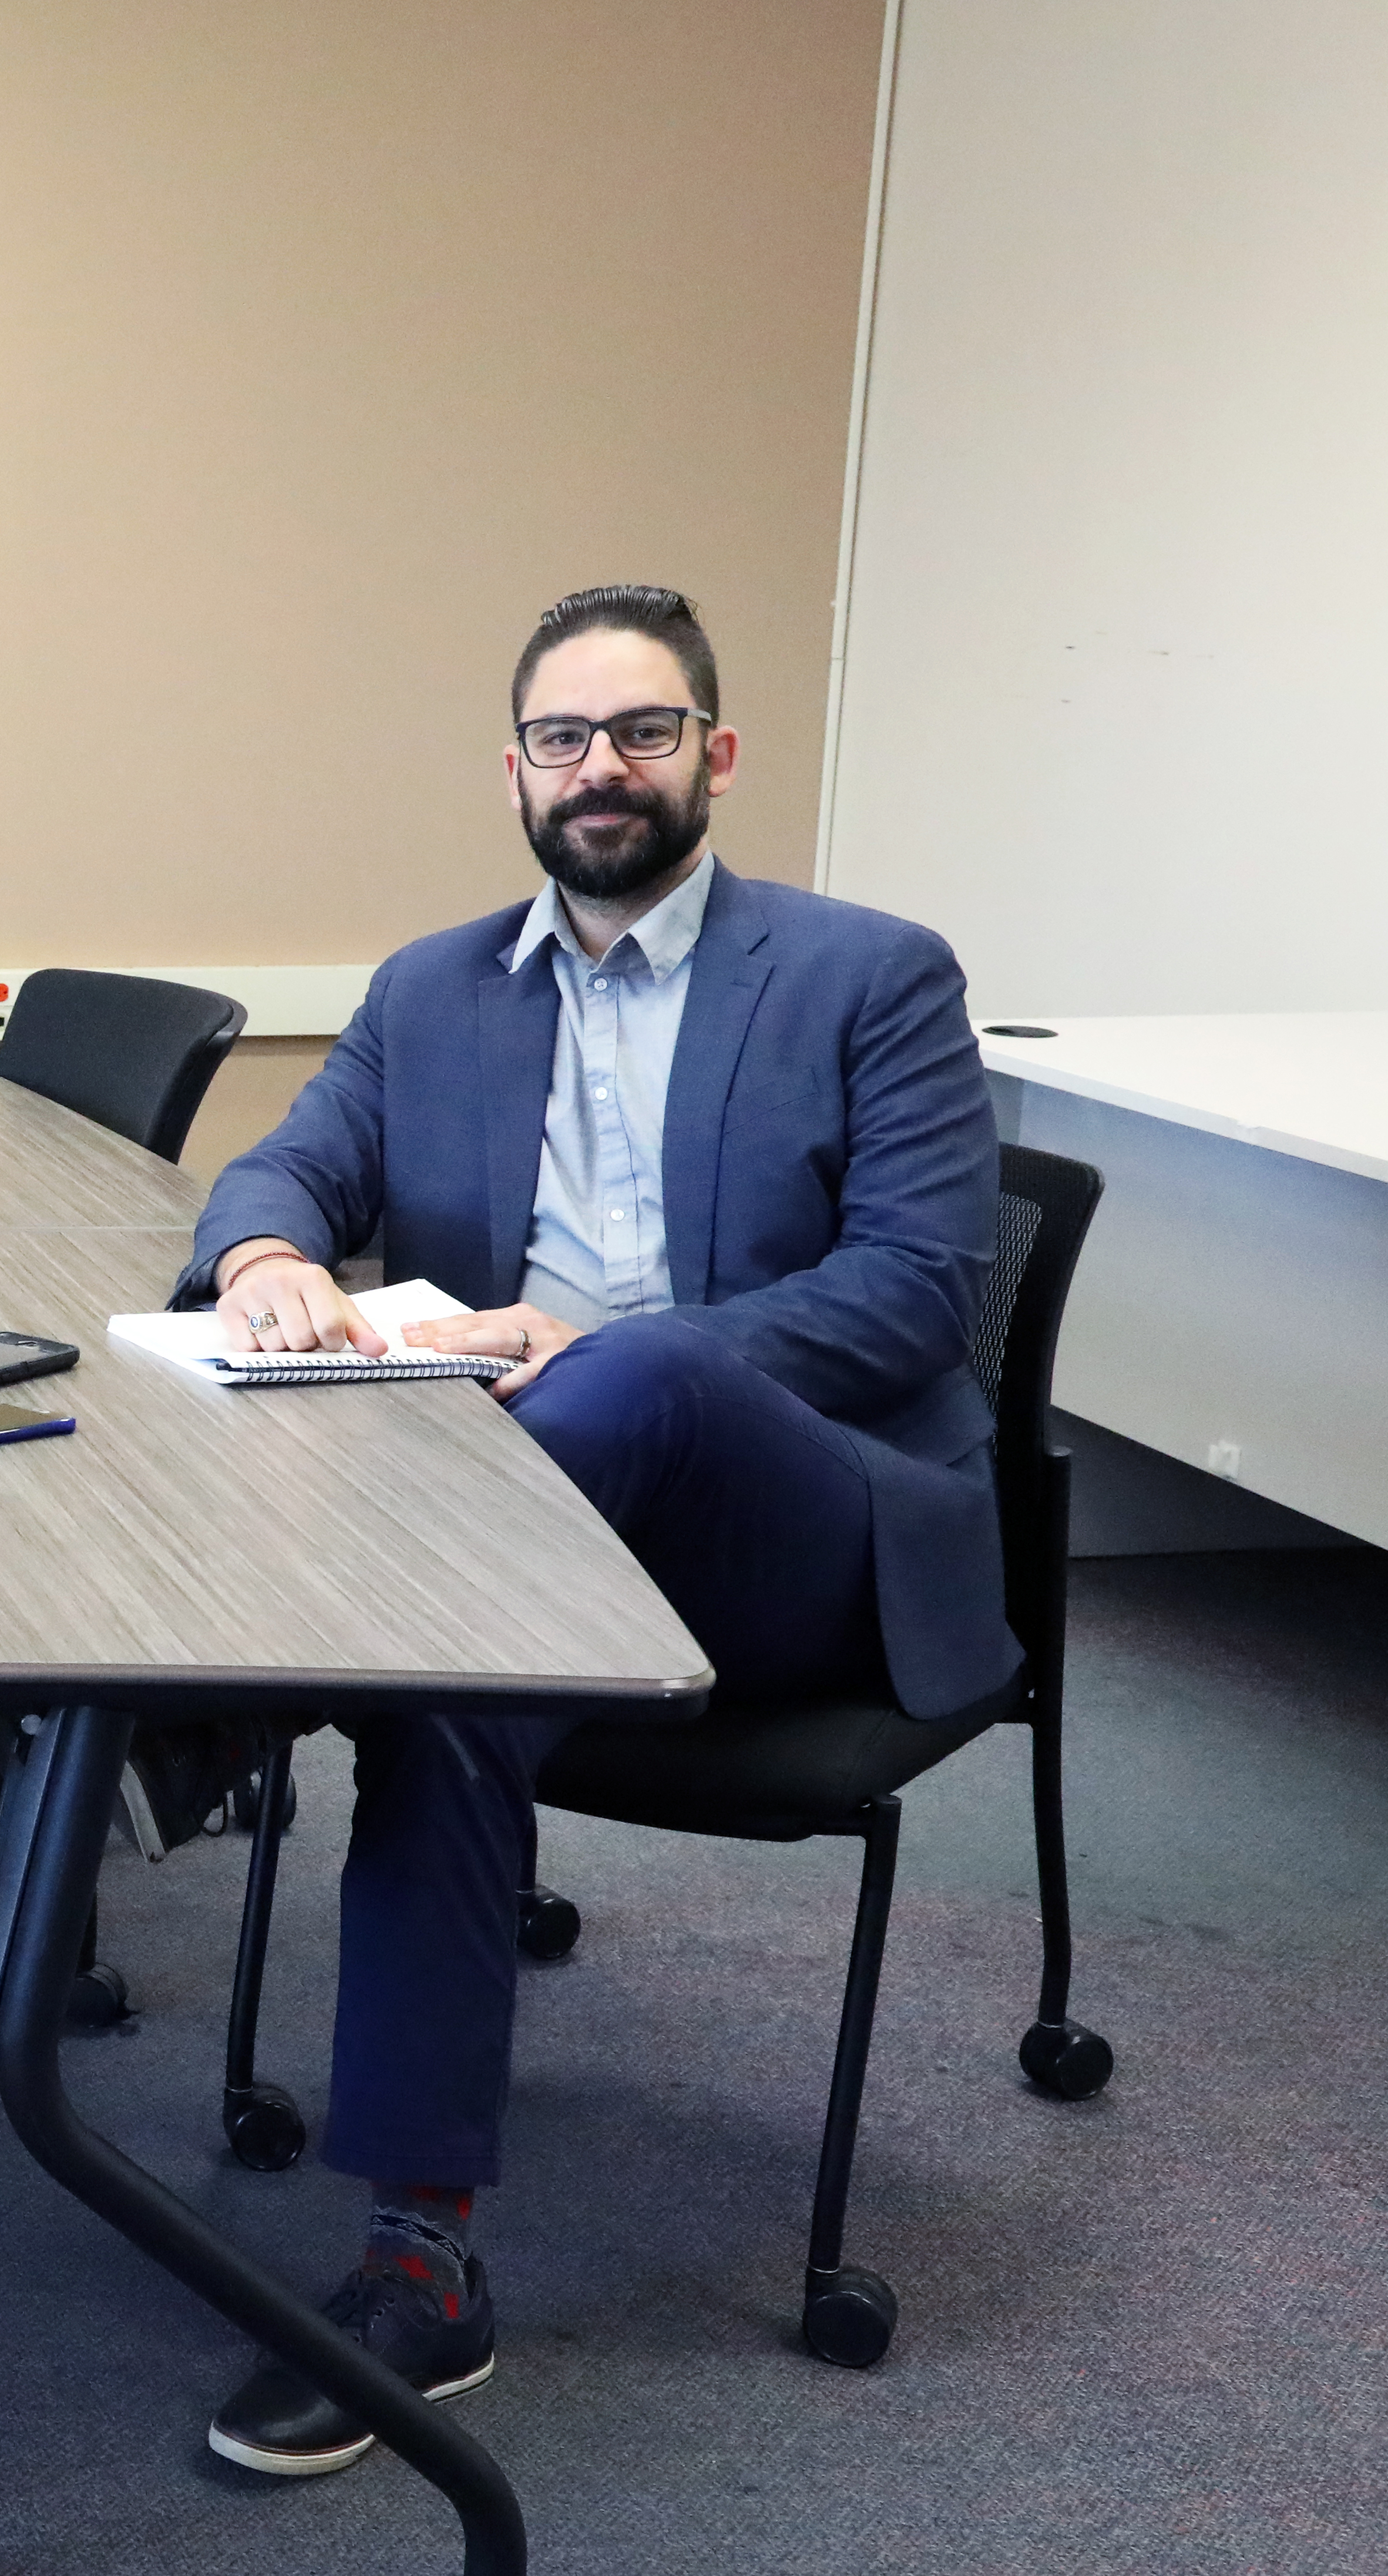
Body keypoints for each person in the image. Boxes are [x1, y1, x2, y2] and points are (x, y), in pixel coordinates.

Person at [174, 583, 1013, 2479]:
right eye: (565, 739)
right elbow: (293, 1151)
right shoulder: (431, 982)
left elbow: (917, 1296)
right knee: (452, 1687)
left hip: (799, 1528)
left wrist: (614, 1342)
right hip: (515, 1548)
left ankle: (221, 1698)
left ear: (717, 753)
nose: (602, 769)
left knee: (633, 1385)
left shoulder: (872, 973)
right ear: (515, 771)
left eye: (644, 732)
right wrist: (270, 1245)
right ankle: (422, 2267)